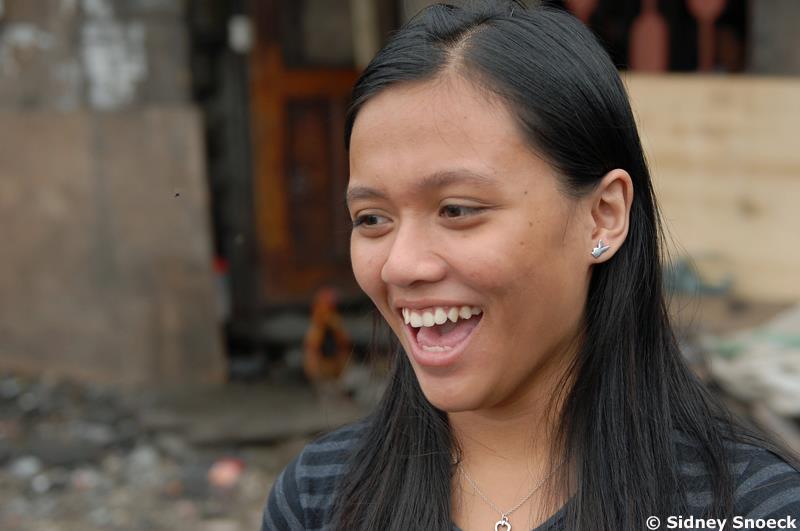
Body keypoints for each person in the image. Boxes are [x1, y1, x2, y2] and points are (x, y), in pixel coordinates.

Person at [262, 1, 800, 530]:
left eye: (457, 210)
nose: (400, 266)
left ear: (603, 216)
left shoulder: (751, 510)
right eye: (372, 219)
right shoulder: (318, 500)